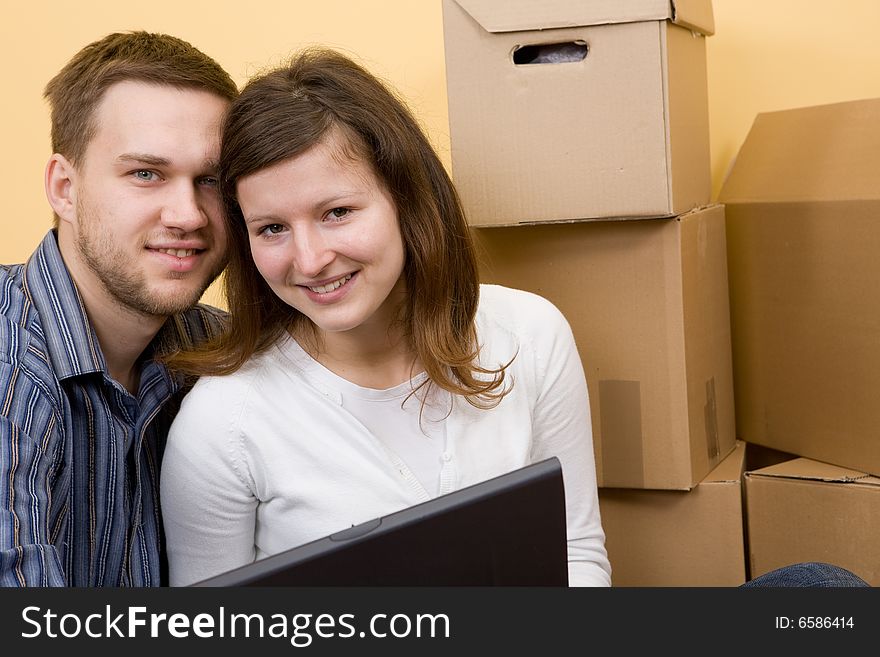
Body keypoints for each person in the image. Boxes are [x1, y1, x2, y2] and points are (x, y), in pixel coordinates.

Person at [159, 47, 613, 587]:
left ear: (406, 199)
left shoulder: (532, 335)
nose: (309, 260)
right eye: (272, 228)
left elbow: (576, 555)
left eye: (337, 213)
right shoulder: (221, 425)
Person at [0, 31, 238, 586]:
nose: (188, 215)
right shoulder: (10, 359)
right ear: (64, 187)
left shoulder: (220, 351)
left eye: (211, 181)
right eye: (146, 174)